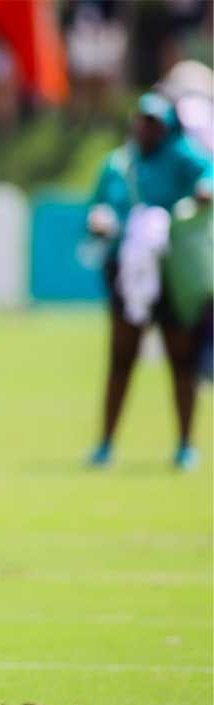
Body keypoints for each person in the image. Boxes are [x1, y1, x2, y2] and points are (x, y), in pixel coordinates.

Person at [85, 92, 213, 470]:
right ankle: (106, 443)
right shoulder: (119, 164)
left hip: (171, 271)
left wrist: (202, 194)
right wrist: (100, 220)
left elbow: (207, 176)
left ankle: (185, 444)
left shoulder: (182, 155)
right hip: (128, 271)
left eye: (153, 122)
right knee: (121, 357)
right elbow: (97, 206)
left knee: (181, 359)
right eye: (141, 121)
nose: (144, 129)